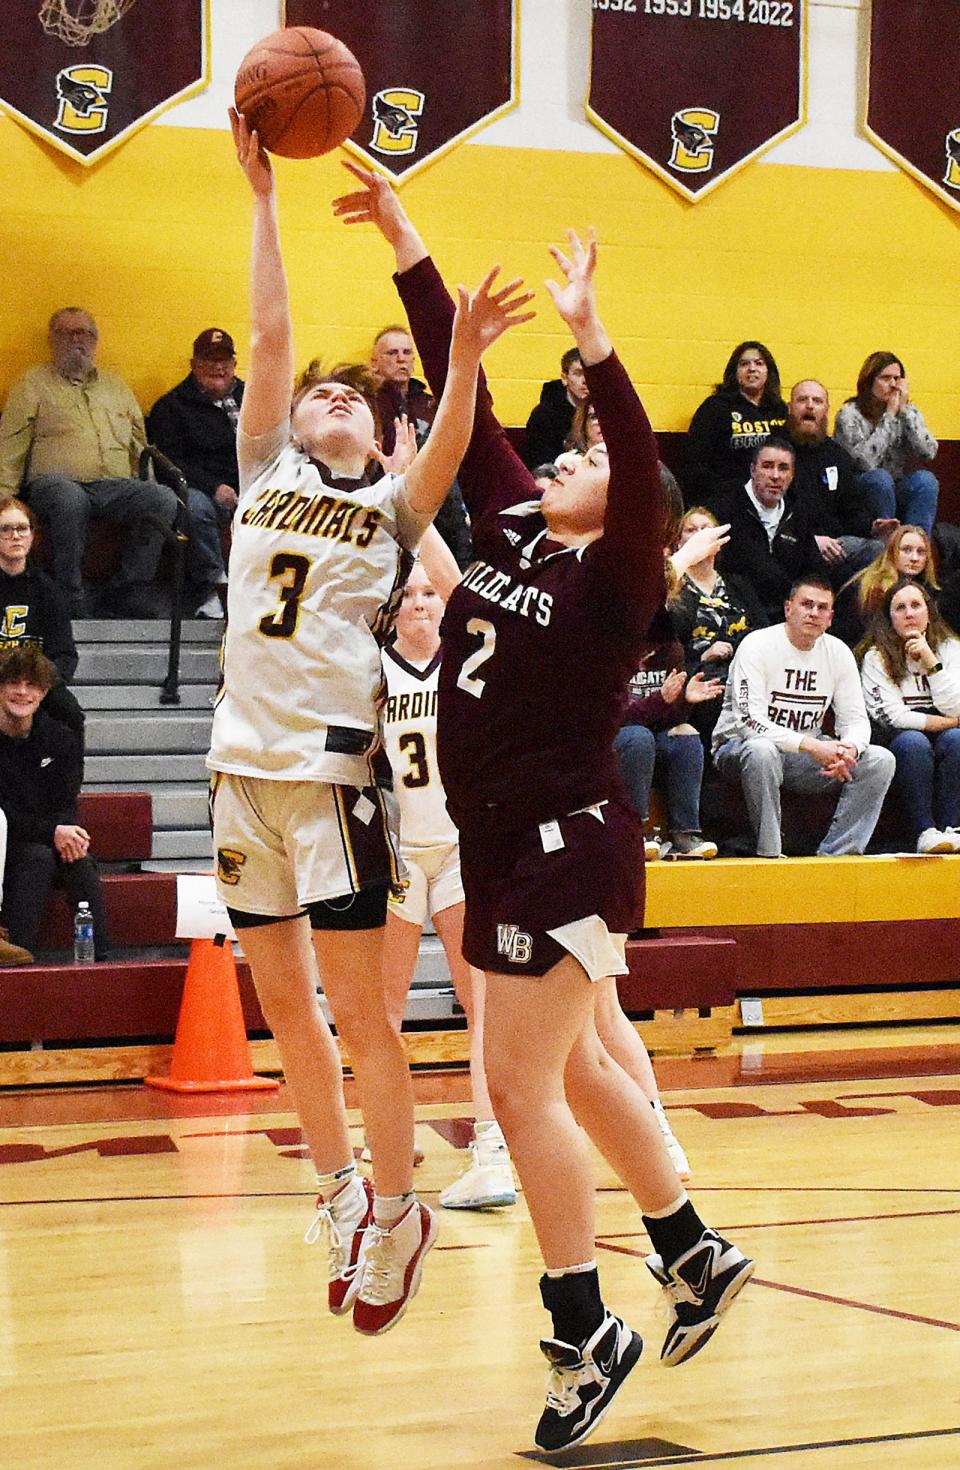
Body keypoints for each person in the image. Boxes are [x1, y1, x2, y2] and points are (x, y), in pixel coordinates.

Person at [335, 165, 754, 1453]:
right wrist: (410, 242)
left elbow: (631, 460)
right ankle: (688, 1247)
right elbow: (481, 419)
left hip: (560, 850)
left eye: (577, 461)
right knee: (563, 1065)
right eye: (554, 457)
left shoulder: (619, 579)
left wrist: (597, 343)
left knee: (518, 1093)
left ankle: (586, 1327)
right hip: (513, 844)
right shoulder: (520, 529)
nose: (557, 461)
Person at [210, 112, 527, 1339]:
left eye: (350, 391)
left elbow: (454, 433)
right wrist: (262, 200)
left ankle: (400, 1211)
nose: (329, 393)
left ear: (370, 432)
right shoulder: (267, 469)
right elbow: (274, 334)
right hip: (240, 776)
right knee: (282, 1009)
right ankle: (344, 1189)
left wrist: (460, 357)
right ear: (290, 424)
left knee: (365, 1017)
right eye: (317, 394)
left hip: (338, 782)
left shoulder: (395, 508)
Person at [381, 531, 517, 1210]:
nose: (420, 604)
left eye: (429, 593)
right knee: (381, 1009)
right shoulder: (373, 673)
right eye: (407, 597)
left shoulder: (469, 664)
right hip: (401, 852)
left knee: (481, 1005)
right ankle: (387, 1130)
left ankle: (492, 1145)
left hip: (463, 846)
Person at [0, 308, 187, 618]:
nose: (78, 340)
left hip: (113, 487)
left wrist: (148, 483)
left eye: (86, 333)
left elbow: (139, 447)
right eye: (68, 333)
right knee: (69, 498)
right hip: (53, 486)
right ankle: (68, 597)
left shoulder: (117, 388)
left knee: (163, 498)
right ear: (52, 340)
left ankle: (126, 592)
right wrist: (4, 499)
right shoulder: (32, 384)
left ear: (96, 342)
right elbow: (11, 443)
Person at [713, 577, 895, 858]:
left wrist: (849, 748)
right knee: (762, 750)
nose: (813, 613)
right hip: (739, 749)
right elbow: (749, 722)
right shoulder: (757, 644)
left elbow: (856, 720)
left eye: (822, 608)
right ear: (788, 609)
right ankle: (769, 854)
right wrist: (812, 746)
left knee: (880, 760)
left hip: (804, 756)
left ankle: (837, 855)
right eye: (806, 605)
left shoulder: (838, 652)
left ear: (831, 617)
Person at [0, 645, 109, 960]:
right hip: (7, 842)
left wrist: (66, 833)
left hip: (46, 836)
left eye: (32, 685)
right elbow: (4, 816)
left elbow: (66, 802)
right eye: (13, 683)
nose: (22, 692)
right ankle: (17, 956)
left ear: (45, 692)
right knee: (38, 858)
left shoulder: (60, 738)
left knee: (79, 861)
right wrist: (54, 832)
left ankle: (100, 963)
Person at [146, 328, 244, 615]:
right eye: (209, 359)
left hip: (252, 483)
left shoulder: (252, 397)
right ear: (193, 364)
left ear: (234, 364)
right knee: (196, 507)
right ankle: (212, 589)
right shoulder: (171, 406)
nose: (218, 367)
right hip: (202, 488)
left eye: (224, 360)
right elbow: (170, 462)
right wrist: (215, 487)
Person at [861, 579, 960, 854]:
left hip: (946, 732)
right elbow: (893, 716)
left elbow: (957, 705)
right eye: (900, 608)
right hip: (898, 737)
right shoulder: (875, 657)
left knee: (957, 739)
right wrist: (951, 721)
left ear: (929, 612)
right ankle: (924, 830)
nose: (909, 613)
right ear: (889, 618)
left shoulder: (951, 649)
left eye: (916, 605)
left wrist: (931, 662)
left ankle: (951, 829)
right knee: (913, 743)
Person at [614, 611, 723, 861]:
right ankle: (636, 831)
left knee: (686, 735)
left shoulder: (671, 648)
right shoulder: (606, 646)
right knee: (639, 737)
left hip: (648, 737)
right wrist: (659, 700)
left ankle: (686, 833)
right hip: (608, 739)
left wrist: (684, 702)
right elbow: (608, 716)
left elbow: (666, 717)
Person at [669, 505, 767, 743]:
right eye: (691, 530)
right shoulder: (673, 589)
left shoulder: (739, 584)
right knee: (714, 690)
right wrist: (703, 656)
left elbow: (764, 633)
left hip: (744, 672)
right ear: (679, 543)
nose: (700, 535)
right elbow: (668, 646)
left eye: (706, 529)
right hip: (697, 673)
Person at [714, 436, 822, 623]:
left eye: (783, 468)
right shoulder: (723, 510)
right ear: (752, 470)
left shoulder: (798, 515)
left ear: (792, 475)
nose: (775, 475)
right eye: (767, 466)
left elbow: (813, 574)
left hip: (788, 618)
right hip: (738, 616)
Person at [0, 498, 83, 736]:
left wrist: (36, 687)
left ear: (32, 536)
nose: (15, 536)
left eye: (22, 528)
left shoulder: (49, 590)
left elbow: (65, 655)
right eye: (6, 529)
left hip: (34, 687)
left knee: (70, 713)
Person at [834, 352, 939, 535]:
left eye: (897, 379)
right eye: (885, 378)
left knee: (925, 480)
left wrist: (905, 411)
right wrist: (889, 416)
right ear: (869, 382)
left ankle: (918, 545)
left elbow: (929, 452)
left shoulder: (907, 412)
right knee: (880, 478)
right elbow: (865, 463)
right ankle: (887, 548)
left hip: (896, 486)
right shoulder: (849, 414)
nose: (892, 385)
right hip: (861, 487)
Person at [785, 379, 881, 579]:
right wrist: (810, 540)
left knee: (879, 551)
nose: (810, 405)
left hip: (835, 546)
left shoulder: (837, 456)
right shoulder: (775, 452)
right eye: (802, 400)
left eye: (817, 401)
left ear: (826, 409)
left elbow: (852, 508)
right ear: (790, 408)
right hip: (789, 543)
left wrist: (872, 526)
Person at [682, 341, 787, 507]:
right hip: (727, 498)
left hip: (772, 498)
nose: (752, 369)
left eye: (759, 363)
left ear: (769, 372)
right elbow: (695, 461)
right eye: (744, 364)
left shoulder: (780, 410)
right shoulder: (715, 408)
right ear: (735, 372)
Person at [522, 346, 588, 468]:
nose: (585, 380)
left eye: (590, 374)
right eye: (578, 373)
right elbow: (537, 465)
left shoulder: (605, 414)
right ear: (564, 378)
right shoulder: (544, 416)